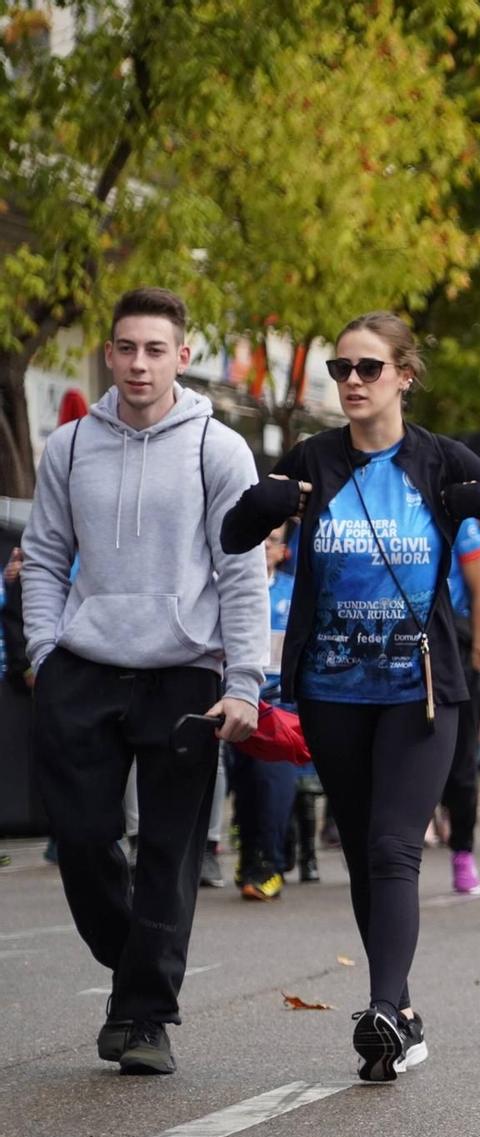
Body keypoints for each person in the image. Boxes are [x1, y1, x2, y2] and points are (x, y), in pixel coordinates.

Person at [222, 310, 480, 1081]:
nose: (353, 383)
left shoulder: (438, 462)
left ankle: (377, 1014)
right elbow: (233, 534)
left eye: (369, 368)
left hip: (420, 690)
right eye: (341, 370)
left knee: (395, 845)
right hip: (333, 690)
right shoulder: (312, 459)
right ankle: (399, 1010)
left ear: (405, 374)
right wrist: (268, 505)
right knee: (366, 855)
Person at [21, 286, 267, 1076]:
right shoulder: (68, 446)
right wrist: (42, 650)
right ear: (108, 352)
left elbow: (242, 573)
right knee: (84, 836)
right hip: (85, 665)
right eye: (126, 347)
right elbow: (47, 554)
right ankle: (135, 958)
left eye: (155, 349)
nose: (138, 363)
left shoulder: (217, 448)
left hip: (185, 671)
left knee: (170, 847)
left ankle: (142, 1017)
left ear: (182, 357)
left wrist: (246, 682)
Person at [232, 525, 302, 902]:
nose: (262, 548)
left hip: (278, 706)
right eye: (256, 539)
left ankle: (270, 866)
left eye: (270, 541)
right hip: (234, 703)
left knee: (272, 783)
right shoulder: (230, 589)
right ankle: (247, 858)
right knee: (243, 788)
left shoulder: (293, 594)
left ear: (282, 551)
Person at [434, 517, 480, 893]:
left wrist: (479, 653)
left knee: (460, 759)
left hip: (454, 644)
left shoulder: (461, 522)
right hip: (397, 637)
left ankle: (463, 853)